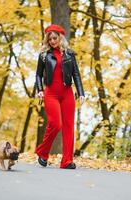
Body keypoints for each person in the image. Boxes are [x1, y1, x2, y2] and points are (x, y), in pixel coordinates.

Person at [35, 24, 85, 169]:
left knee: (69, 126)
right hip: (51, 93)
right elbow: (38, 74)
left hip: (67, 93)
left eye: (54, 38)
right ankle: (43, 152)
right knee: (56, 123)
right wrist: (40, 90)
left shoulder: (69, 54)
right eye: (49, 39)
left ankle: (67, 161)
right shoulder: (44, 55)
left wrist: (81, 92)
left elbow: (76, 74)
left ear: (60, 38)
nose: (52, 41)